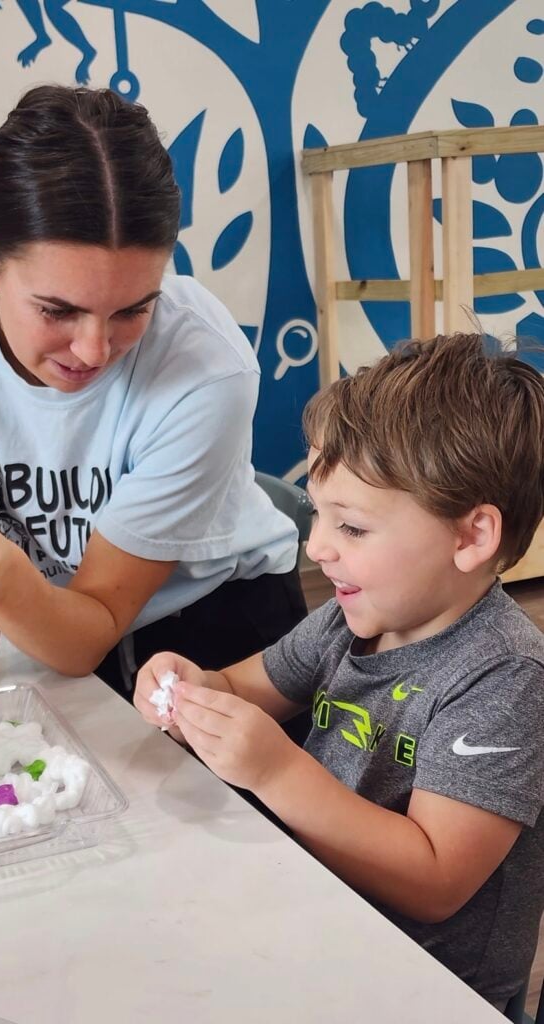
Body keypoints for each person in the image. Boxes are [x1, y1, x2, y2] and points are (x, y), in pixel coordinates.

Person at [0, 85, 305, 695]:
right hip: (55, 626)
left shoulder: (205, 368)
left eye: (133, 309)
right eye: (57, 310)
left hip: (222, 625)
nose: (94, 350)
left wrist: (8, 582)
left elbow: (87, 633)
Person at [133, 333, 544, 1008]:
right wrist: (187, 689)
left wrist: (276, 773)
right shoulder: (349, 621)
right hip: (320, 934)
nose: (317, 546)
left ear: (471, 536)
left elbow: (435, 881)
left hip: (428, 995)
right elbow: (238, 688)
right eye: (318, 514)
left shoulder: (505, 678)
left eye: (351, 527)